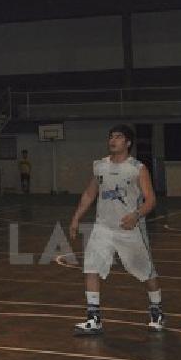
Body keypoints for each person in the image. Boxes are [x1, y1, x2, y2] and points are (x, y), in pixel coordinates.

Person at [67, 124, 164, 336]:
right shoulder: (99, 166)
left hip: (130, 230)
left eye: (118, 137)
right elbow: (89, 194)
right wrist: (76, 218)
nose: (113, 140)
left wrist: (136, 215)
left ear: (128, 143)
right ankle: (94, 319)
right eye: (111, 136)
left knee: (145, 272)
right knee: (91, 267)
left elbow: (151, 200)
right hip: (103, 227)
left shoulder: (137, 168)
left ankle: (156, 309)